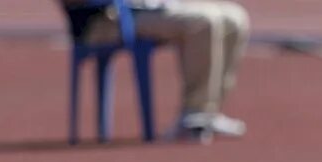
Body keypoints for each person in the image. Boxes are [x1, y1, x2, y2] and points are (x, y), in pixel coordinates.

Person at [71, 0, 250, 141]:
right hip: (105, 19)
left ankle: (209, 111)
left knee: (234, 18)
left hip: (149, 8)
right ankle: (193, 116)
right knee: (203, 22)